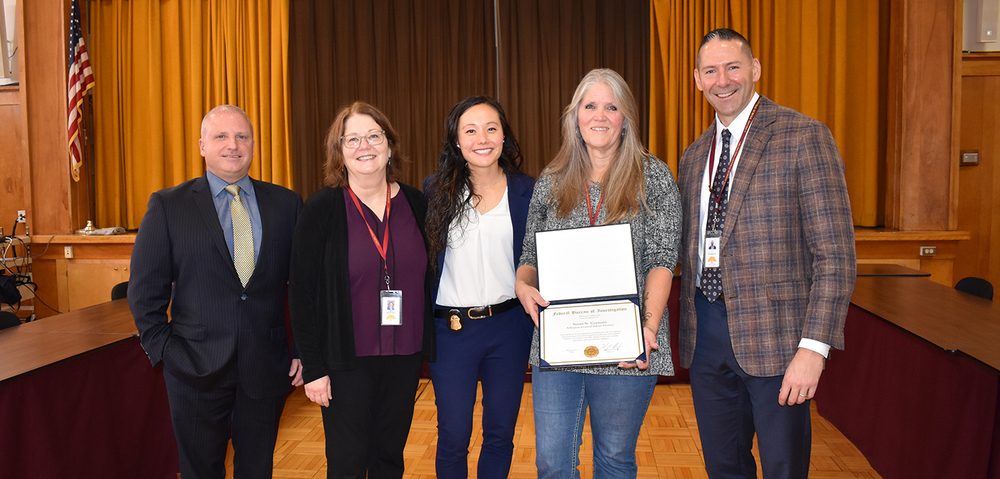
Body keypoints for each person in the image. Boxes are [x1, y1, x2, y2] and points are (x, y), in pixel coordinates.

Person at [677, 28, 856, 478]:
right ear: (697, 79)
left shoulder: (804, 136)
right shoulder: (693, 156)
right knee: (723, 467)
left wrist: (813, 349)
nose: (722, 80)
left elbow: (835, 256)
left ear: (755, 69)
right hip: (706, 334)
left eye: (733, 67)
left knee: (784, 468)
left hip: (779, 341)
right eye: (711, 71)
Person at [514, 68, 682, 478]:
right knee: (552, 462)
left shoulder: (654, 176)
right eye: (590, 106)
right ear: (575, 115)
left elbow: (663, 258)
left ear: (626, 117)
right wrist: (522, 284)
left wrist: (647, 326)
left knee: (614, 459)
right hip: (561, 342)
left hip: (628, 342)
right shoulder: (551, 181)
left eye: (612, 107)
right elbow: (530, 254)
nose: (600, 116)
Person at [129, 104, 304, 479]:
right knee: (200, 471)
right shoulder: (168, 205)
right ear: (202, 146)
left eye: (242, 136)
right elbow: (145, 291)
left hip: (265, 364)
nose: (233, 145)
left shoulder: (286, 204)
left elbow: (305, 287)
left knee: (256, 469)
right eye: (221, 136)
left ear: (253, 144)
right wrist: (165, 351)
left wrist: (302, 350)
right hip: (192, 367)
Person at [288, 101, 435, 479]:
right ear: (339, 152)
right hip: (344, 362)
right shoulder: (321, 208)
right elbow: (301, 294)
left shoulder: (416, 203)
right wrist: (313, 367)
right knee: (348, 462)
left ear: (390, 146)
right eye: (352, 139)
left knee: (389, 458)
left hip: (404, 357)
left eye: (373, 136)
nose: (364, 146)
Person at [423, 96, 534, 479]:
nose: (482, 138)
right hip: (452, 332)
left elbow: (539, 258)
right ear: (457, 140)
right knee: (453, 436)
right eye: (470, 130)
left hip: (510, 328)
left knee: (500, 434)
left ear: (504, 136)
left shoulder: (528, 191)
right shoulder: (435, 191)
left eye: (491, 128)